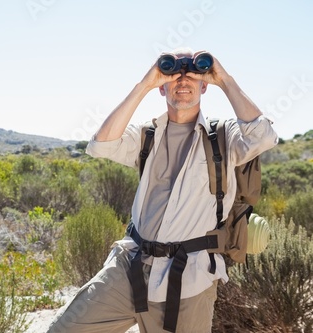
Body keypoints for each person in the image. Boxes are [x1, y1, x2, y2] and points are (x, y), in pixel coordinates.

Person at [46, 47, 278, 333]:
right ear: (162, 86)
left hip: (190, 277)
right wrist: (143, 85)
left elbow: (264, 135)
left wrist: (224, 79)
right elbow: (101, 145)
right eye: (172, 73)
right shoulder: (147, 135)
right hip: (129, 267)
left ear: (204, 85)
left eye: (193, 74)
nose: (183, 79)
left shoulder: (225, 137)